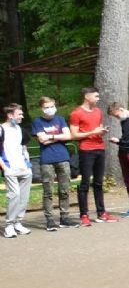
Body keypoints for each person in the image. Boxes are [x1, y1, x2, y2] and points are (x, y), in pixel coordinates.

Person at [31, 96, 78, 231]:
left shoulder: (60, 119)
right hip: (47, 160)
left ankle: (64, 218)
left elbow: (68, 136)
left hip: (63, 158)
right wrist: (59, 137)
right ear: (42, 108)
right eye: (47, 107)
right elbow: (42, 140)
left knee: (64, 190)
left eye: (52, 106)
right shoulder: (37, 121)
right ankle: (50, 220)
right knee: (48, 192)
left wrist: (51, 136)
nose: (50, 109)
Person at [70, 86, 115, 225]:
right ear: (87, 97)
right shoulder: (76, 113)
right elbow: (74, 135)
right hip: (86, 150)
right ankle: (84, 214)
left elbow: (97, 129)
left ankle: (101, 213)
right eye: (96, 96)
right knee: (85, 183)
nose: (98, 99)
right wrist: (91, 132)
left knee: (98, 182)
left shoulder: (98, 111)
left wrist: (102, 131)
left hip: (100, 148)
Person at [2, 103, 32, 237]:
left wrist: (28, 164)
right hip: (10, 169)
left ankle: (18, 223)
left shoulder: (20, 129)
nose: (22, 116)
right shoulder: (1, 129)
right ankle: (9, 225)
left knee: (24, 198)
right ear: (10, 115)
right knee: (14, 196)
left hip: (24, 169)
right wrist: (5, 169)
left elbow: (23, 147)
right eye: (19, 114)